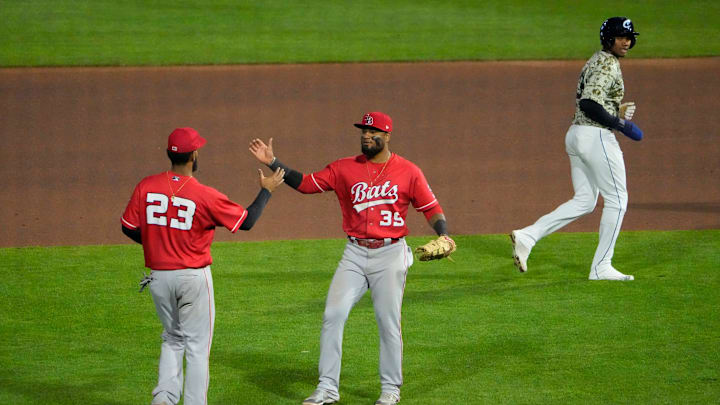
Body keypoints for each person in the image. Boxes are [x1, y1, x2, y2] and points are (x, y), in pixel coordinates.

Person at [249, 112, 454, 405]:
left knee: (388, 322)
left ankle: (390, 389)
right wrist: (273, 162)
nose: (366, 136)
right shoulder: (344, 168)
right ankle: (327, 388)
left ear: (387, 136)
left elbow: (431, 208)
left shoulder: (409, 171)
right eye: (363, 131)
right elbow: (307, 184)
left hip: (391, 253)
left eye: (373, 131)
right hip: (354, 254)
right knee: (333, 314)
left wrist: (444, 233)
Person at [121, 127, 285, 405]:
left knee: (172, 337)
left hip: (159, 279)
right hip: (192, 279)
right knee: (196, 347)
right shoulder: (203, 194)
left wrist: (157, 243)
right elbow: (246, 221)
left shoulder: (146, 186)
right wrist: (266, 191)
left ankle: (163, 399)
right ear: (194, 156)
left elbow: (128, 227)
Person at [510, 17, 644, 281]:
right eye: (620, 37)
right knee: (618, 200)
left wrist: (615, 109)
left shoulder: (596, 59)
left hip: (576, 136)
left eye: (629, 37)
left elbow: (593, 102)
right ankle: (601, 266)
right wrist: (619, 123)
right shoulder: (607, 62)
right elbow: (589, 104)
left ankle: (527, 236)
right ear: (608, 39)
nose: (627, 41)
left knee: (585, 200)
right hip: (595, 137)